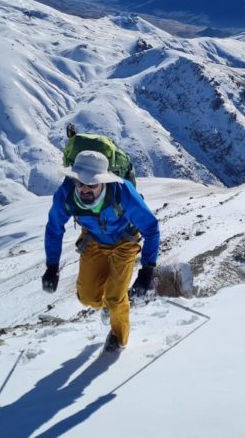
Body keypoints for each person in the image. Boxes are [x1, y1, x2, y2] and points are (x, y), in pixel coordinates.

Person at [41, 149, 160, 352]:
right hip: (93, 240)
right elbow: (54, 228)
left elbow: (151, 227)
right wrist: (52, 266)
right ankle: (106, 306)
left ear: (103, 181)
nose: (85, 189)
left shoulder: (123, 193)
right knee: (87, 298)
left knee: (115, 297)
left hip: (125, 241)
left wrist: (147, 269)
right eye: (80, 183)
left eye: (92, 184)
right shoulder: (66, 194)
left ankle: (118, 337)